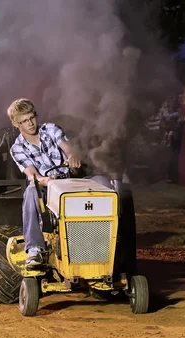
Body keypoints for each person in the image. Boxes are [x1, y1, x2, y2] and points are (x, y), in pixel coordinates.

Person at [7, 98, 122, 269]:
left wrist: (72, 156)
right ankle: (35, 249)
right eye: (24, 121)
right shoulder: (17, 148)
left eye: (32, 118)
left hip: (70, 179)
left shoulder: (51, 129)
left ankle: (112, 242)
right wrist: (44, 180)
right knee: (31, 192)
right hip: (46, 186)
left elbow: (67, 147)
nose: (30, 123)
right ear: (16, 124)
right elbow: (32, 175)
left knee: (104, 184)